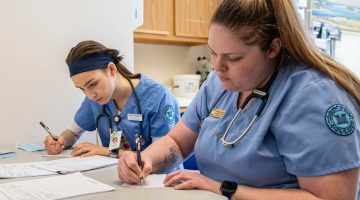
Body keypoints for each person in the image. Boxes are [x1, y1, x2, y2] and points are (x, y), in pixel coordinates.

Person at [117, 0, 360, 199]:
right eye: (213, 52)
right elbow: (178, 143)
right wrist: (144, 160)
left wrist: (224, 188)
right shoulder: (218, 84)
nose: (218, 66)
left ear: (273, 48)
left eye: (233, 58)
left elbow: (330, 198)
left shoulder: (316, 97)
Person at [43, 40, 181, 166]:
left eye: (92, 84)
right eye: (82, 89)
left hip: (162, 181)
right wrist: (59, 142)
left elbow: (163, 156)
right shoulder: (95, 100)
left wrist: (108, 151)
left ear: (111, 69)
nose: (90, 95)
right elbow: (72, 133)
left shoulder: (158, 97)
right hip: (121, 178)